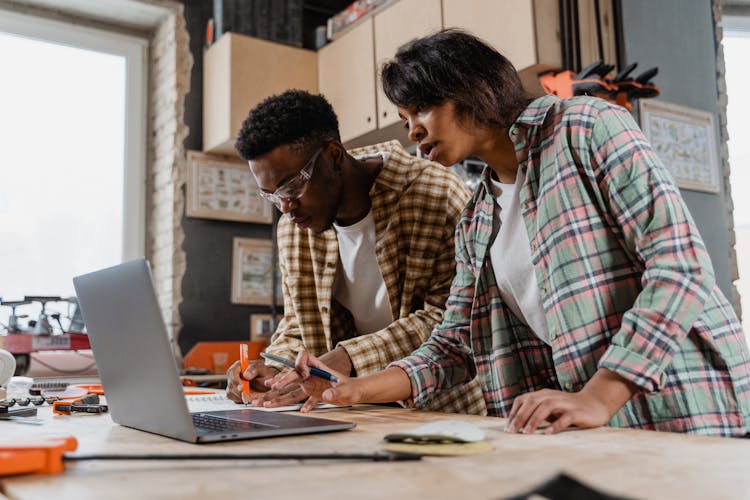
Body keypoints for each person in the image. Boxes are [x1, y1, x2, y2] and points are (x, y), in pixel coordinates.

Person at [276, 30, 750, 437]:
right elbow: (451, 344)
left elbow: (679, 266)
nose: (413, 132)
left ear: (469, 87)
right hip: (599, 423)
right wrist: (352, 388)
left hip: (683, 402)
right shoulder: (476, 219)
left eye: (420, 108)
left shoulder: (586, 127)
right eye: (404, 121)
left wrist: (600, 395)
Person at [226, 89, 485, 415]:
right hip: (352, 410)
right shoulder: (295, 230)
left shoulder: (435, 195)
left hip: (440, 411)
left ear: (334, 156)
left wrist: (348, 358)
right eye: (272, 196)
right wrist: (274, 370)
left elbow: (450, 320)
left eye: (291, 187)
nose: (286, 207)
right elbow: (298, 322)